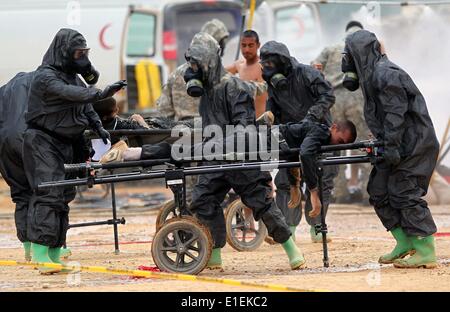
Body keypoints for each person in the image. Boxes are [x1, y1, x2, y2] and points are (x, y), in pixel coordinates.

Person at [181, 32, 304, 271]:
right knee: (203, 200)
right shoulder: (206, 90)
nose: (193, 68)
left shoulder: (232, 86)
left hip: (239, 157)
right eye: (191, 63)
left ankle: (292, 249)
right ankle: (214, 256)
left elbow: (243, 126)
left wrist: (220, 145)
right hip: (214, 157)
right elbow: (209, 124)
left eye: (197, 62)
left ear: (209, 60)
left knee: (261, 202)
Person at [22, 28, 125, 274]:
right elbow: (73, 94)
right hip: (43, 142)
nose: (83, 59)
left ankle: (55, 252)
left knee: (64, 196)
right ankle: (40, 253)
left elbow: (85, 105)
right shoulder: (46, 77)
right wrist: (101, 93)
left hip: (66, 142)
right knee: (49, 194)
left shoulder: (72, 76)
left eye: (85, 53)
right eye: (78, 53)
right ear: (64, 52)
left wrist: (98, 126)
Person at [342, 29, 439, 268]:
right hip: (398, 143)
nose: (347, 60)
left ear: (361, 53)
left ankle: (426, 250)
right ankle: (405, 241)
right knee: (378, 190)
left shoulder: (386, 74)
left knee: (403, 191)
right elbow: (385, 118)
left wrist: (392, 146)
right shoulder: (372, 76)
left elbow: (396, 115)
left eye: (350, 54)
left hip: (416, 144)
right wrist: (380, 142)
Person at [259, 40, 336, 243]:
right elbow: (272, 106)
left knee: (321, 180)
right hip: (290, 135)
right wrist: (269, 115)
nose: (268, 69)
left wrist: (312, 116)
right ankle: (287, 230)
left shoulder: (307, 74)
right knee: (285, 182)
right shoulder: (273, 82)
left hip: (317, 132)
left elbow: (328, 95)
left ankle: (318, 228)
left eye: (271, 65)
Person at [312, 21, 371, 204]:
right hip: (357, 99)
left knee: (334, 145)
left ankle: (338, 192)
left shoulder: (330, 49)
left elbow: (313, 68)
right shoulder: (364, 49)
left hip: (334, 101)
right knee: (364, 143)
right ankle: (371, 192)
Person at [156, 19, 230, 121]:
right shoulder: (221, 77)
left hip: (180, 133)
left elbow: (164, 113)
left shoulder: (175, 75)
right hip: (212, 133)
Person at [226, 30, 267, 118]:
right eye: (243, 45)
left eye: (250, 45)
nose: (246, 50)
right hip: (245, 122)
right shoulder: (239, 65)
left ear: (258, 45)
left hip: (263, 122)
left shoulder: (266, 66)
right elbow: (219, 73)